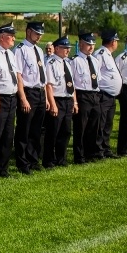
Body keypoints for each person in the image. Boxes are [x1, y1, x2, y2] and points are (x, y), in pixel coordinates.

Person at [0, 22, 23, 178]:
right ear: (1, 37)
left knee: (8, 135)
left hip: (12, 98)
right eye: (11, 36)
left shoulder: (11, 54)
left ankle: (3, 168)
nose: (14, 38)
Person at [14, 21, 48, 173]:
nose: (39, 36)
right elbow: (18, 75)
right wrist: (23, 98)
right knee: (24, 129)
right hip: (28, 92)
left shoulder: (39, 51)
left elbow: (43, 76)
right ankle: (22, 162)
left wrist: (45, 97)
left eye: (41, 34)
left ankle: (33, 159)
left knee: (36, 129)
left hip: (40, 92)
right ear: (28, 31)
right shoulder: (20, 50)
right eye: (36, 33)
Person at [43, 36, 78, 168]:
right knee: (53, 132)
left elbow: (72, 84)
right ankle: (48, 160)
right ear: (57, 48)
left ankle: (61, 158)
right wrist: (52, 104)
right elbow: (49, 85)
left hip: (68, 99)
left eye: (68, 48)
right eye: (65, 48)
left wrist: (75, 102)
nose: (68, 50)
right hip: (57, 100)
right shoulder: (51, 63)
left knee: (65, 131)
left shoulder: (68, 63)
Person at [71, 32, 103, 164]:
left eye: (93, 45)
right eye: (88, 44)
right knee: (81, 127)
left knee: (94, 126)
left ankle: (90, 152)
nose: (91, 47)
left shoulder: (95, 60)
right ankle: (79, 156)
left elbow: (98, 79)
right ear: (81, 44)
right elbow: (71, 82)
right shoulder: (75, 60)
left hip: (94, 95)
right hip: (82, 94)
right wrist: (75, 101)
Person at [92, 30, 122, 159]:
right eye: (116, 41)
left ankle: (106, 148)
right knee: (101, 124)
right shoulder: (100, 54)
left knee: (108, 124)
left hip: (111, 96)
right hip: (103, 95)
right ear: (112, 42)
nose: (117, 44)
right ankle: (98, 150)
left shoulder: (109, 55)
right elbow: (95, 74)